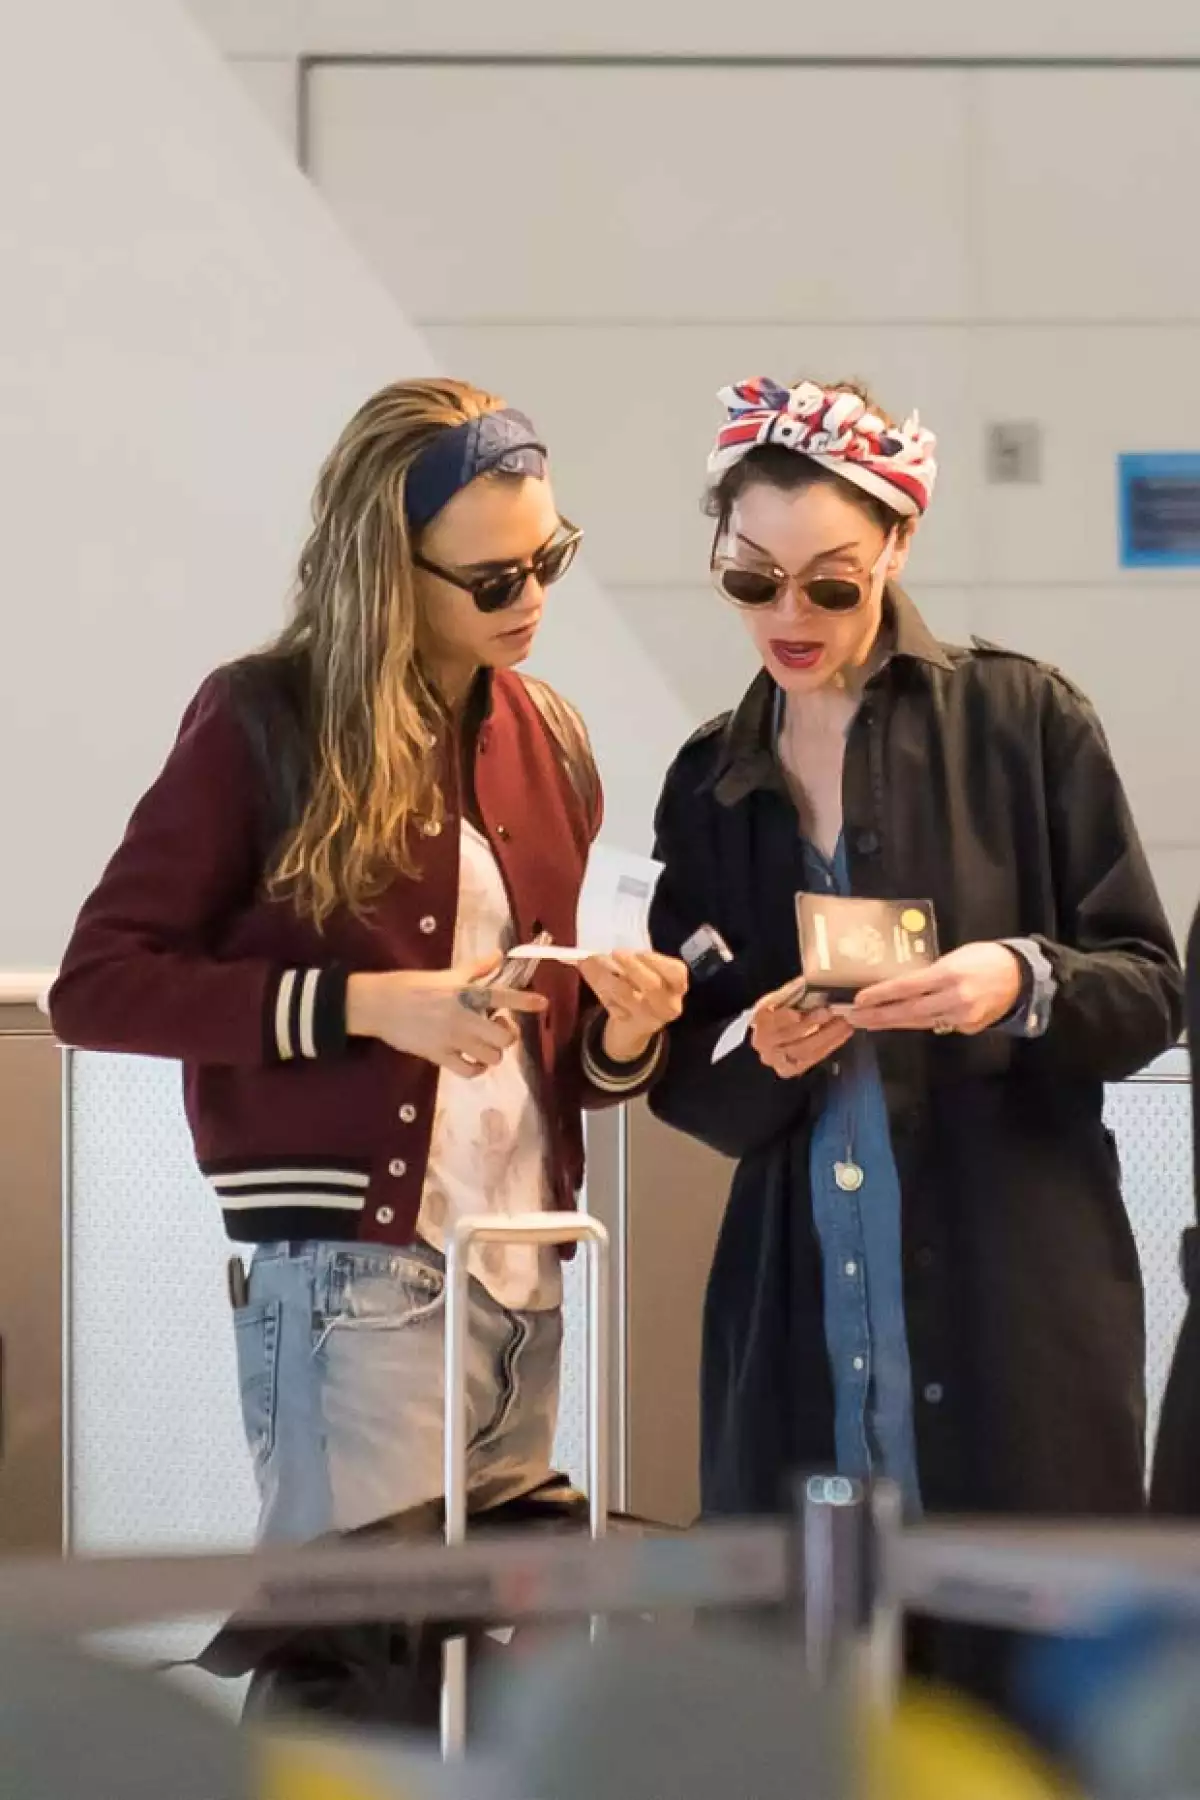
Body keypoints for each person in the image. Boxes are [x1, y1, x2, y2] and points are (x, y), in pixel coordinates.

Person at [50, 376, 686, 1553]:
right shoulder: (264, 722)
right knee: (353, 1679)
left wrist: (623, 1034)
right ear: (390, 568)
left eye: (551, 558)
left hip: (523, 1269)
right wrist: (367, 1007)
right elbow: (100, 984)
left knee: (480, 1685)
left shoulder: (548, 737)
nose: (533, 597)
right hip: (357, 1280)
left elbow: (540, 1051)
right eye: (495, 580)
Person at [645, 374, 1182, 1696]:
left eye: (830, 583)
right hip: (799, 1325)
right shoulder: (711, 780)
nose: (789, 618)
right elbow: (681, 1079)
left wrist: (1016, 978)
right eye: (749, 581)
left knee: (1033, 1713)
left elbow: (1147, 985)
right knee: (798, 1719)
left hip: (1010, 1313)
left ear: (897, 543)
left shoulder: (1023, 720)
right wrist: (750, 1046)